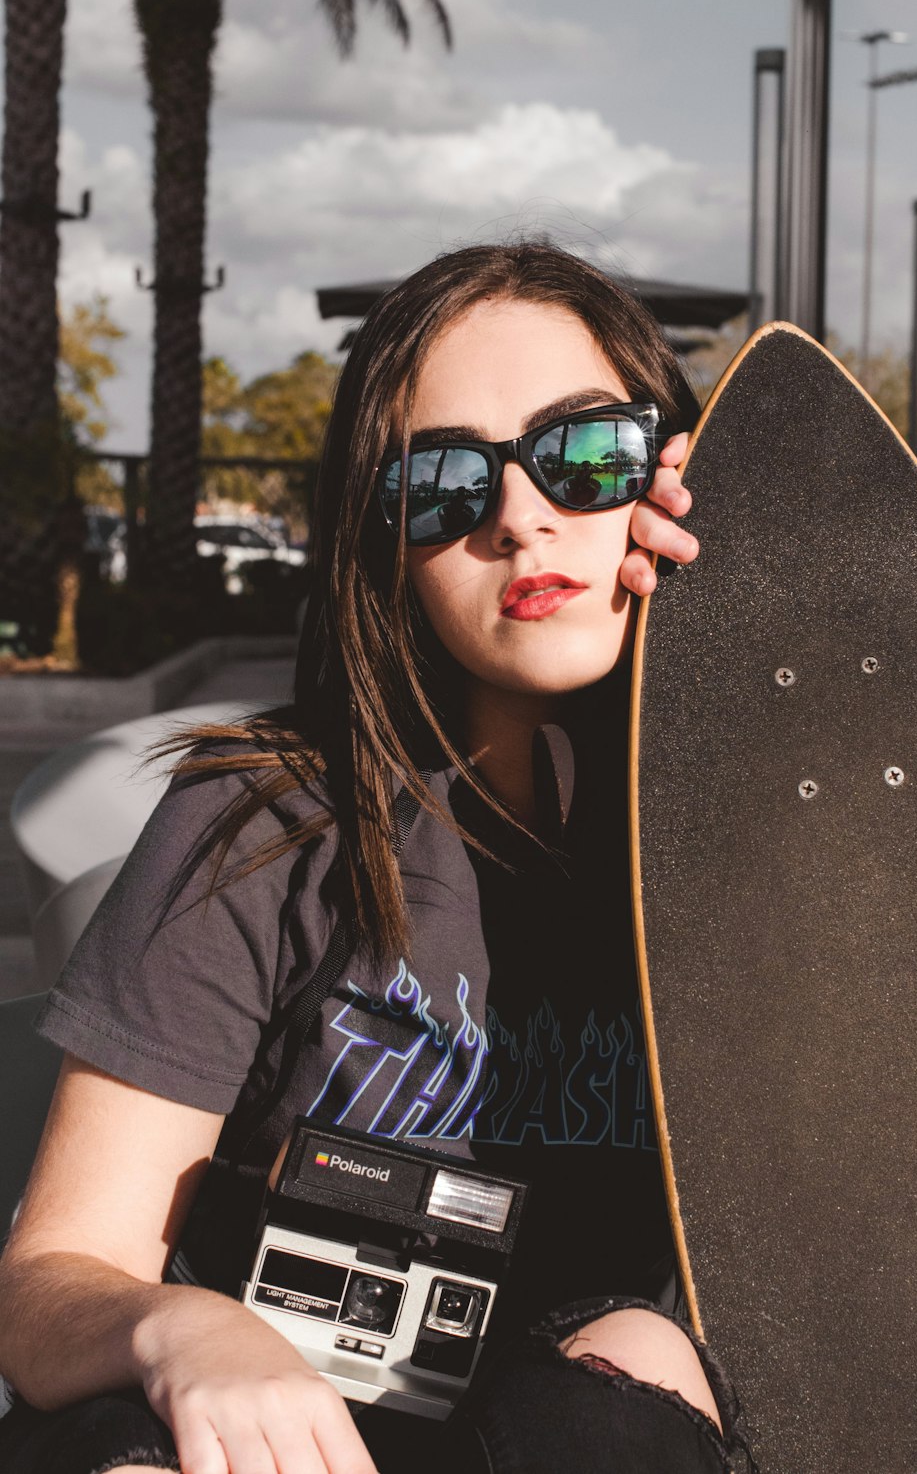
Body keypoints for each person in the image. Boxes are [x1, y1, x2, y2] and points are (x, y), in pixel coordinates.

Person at [0, 242, 762, 1474]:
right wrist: (182, 1331)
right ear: (381, 536)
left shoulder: (765, 825)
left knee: (641, 1355)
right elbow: (51, 1282)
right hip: (256, 1419)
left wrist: (810, 592)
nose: (522, 517)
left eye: (585, 453)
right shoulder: (257, 822)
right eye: (444, 484)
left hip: (563, 1414)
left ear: (670, 480)